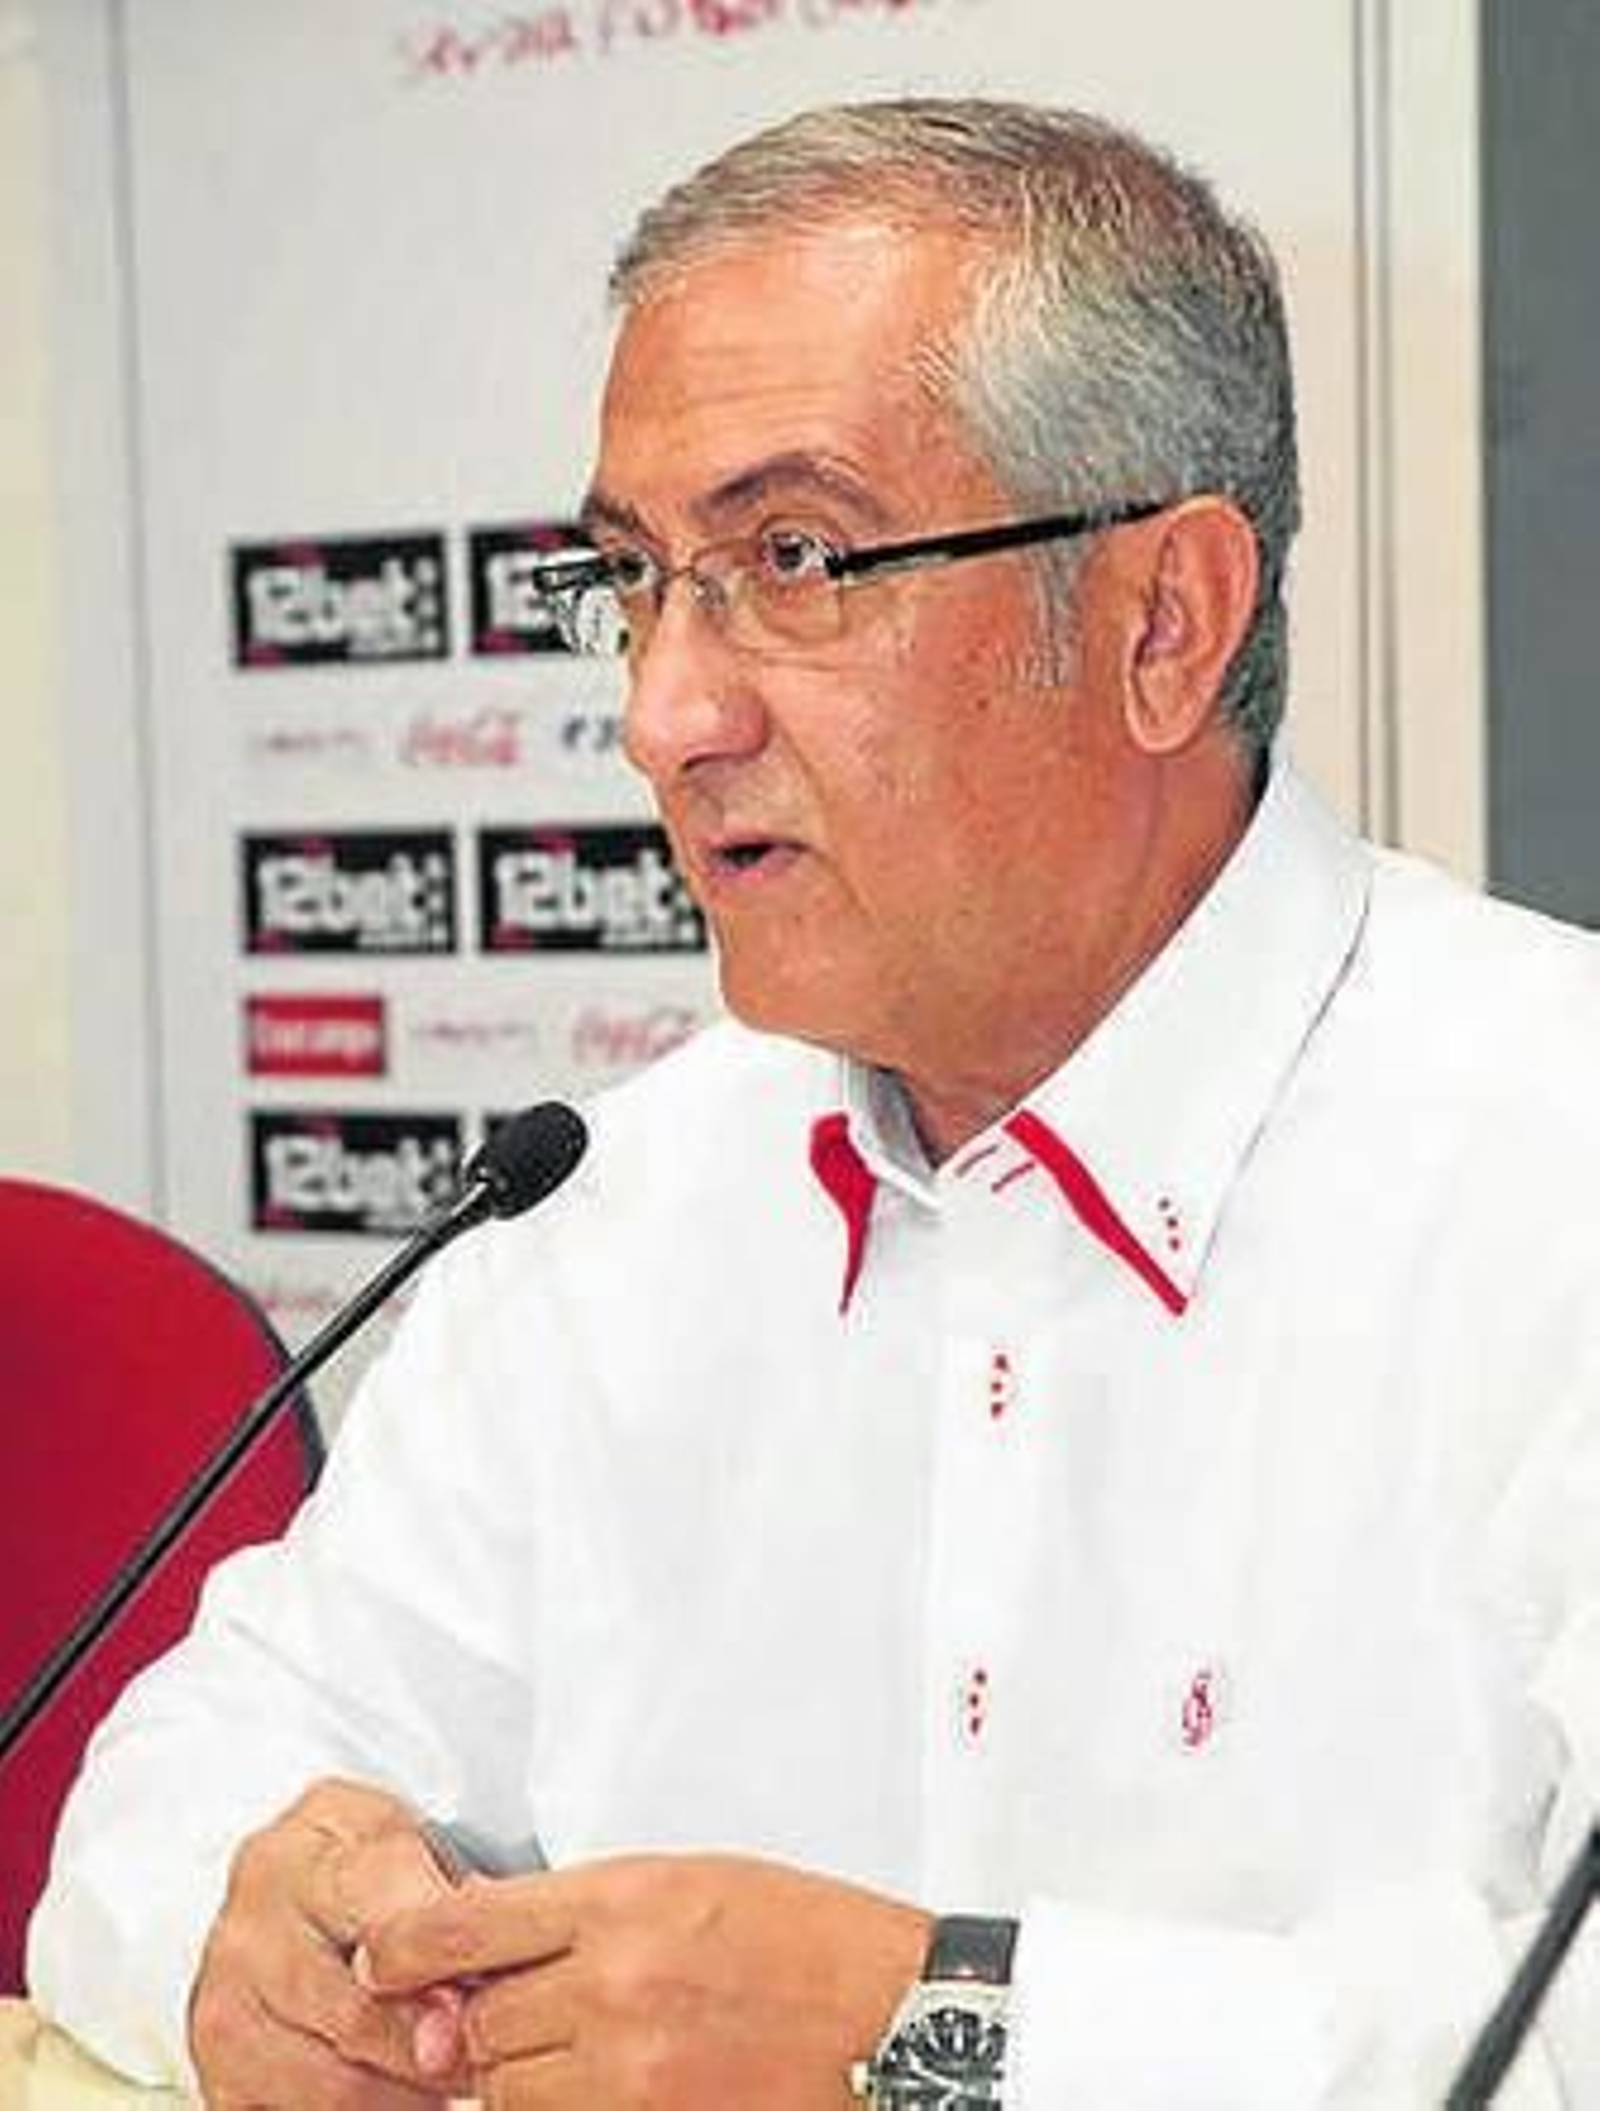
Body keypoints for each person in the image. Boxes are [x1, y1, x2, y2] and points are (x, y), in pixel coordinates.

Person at [28, 97, 1600, 2107]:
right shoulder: (607, 1208)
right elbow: (178, 1793)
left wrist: (931, 2034)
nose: (661, 714)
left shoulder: (1548, 1159)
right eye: (633, 579)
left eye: (793, 560)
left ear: (1160, 622)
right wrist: (249, 1941)